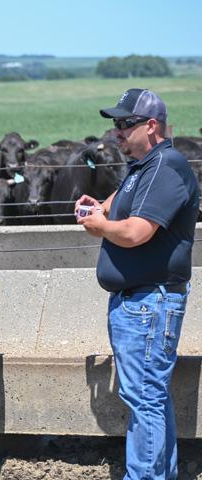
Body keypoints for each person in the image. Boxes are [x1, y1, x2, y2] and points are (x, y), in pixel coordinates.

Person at [76, 88, 199, 480]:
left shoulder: (165, 167)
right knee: (149, 397)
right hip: (140, 302)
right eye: (115, 125)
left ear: (152, 125)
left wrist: (100, 226)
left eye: (125, 124)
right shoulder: (145, 167)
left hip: (149, 302)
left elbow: (136, 232)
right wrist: (100, 208)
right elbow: (119, 205)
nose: (117, 132)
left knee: (144, 398)